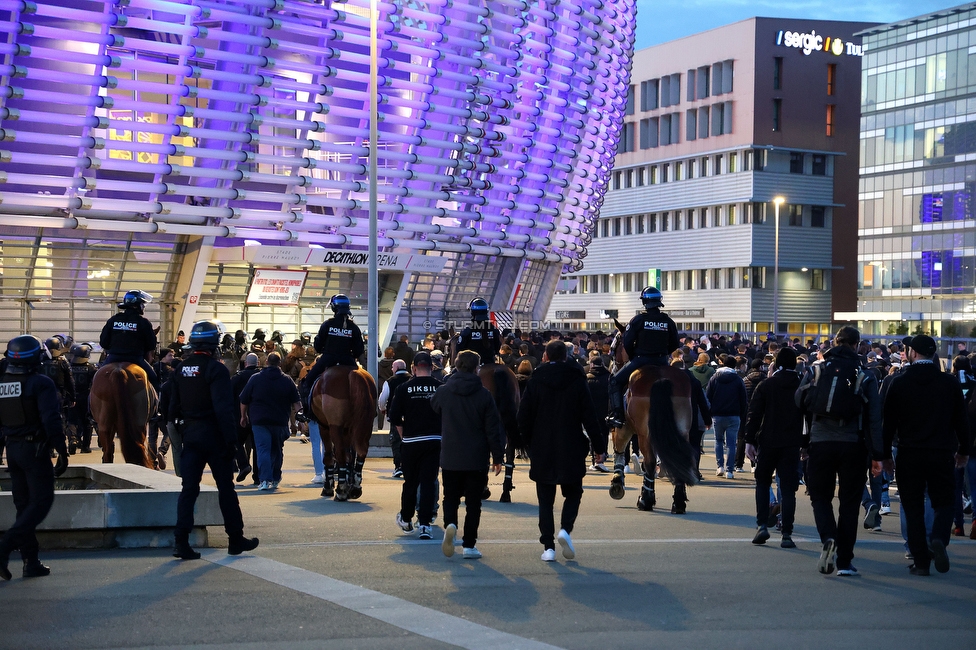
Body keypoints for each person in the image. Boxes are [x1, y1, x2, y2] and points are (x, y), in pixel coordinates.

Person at [795, 326, 883, 577]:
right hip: (853, 444)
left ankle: (827, 538)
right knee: (850, 502)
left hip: (820, 442)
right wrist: (877, 454)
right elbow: (874, 419)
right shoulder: (865, 375)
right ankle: (845, 561)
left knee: (820, 496)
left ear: (835, 342)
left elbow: (798, 400)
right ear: (857, 345)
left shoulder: (816, 369)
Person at [167, 320, 259, 560]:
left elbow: (172, 408)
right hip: (215, 436)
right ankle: (235, 539)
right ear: (214, 343)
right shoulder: (216, 369)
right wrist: (232, 444)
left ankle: (181, 542)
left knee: (188, 490)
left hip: (191, 436)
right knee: (226, 489)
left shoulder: (181, 369)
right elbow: (223, 409)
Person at [883, 335, 971, 575]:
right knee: (943, 501)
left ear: (912, 353)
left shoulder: (899, 382)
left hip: (909, 452)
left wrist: (884, 454)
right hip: (942, 451)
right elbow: (961, 421)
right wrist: (964, 449)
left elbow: (888, 422)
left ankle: (920, 561)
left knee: (912, 507)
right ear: (933, 354)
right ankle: (940, 539)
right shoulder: (949, 383)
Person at [518, 340, 604, 562]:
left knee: (545, 499)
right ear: (566, 356)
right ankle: (565, 529)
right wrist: (599, 447)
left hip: (542, 444)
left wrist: (526, 443)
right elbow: (589, 415)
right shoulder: (577, 378)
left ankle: (548, 547)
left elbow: (524, 415)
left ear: (545, 356)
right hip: (571, 443)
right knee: (573, 492)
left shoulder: (536, 379)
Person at [0, 335, 68, 581]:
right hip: (35, 450)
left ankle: (31, 561)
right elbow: (51, 420)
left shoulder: (3, 382)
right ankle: (4, 548)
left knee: (23, 506)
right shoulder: (41, 383)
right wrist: (62, 450)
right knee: (40, 503)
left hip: (13, 451)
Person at [430, 350, 504, 560]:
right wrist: (497, 457)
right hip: (476, 457)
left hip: (451, 454)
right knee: (474, 503)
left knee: (450, 497)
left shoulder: (444, 391)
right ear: (476, 368)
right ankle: (469, 545)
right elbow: (492, 428)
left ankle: (450, 524)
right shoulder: (484, 395)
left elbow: (434, 406)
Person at [744, 348, 804, 548]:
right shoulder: (801, 386)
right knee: (788, 489)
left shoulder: (766, 385)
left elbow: (754, 414)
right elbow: (809, 417)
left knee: (762, 482)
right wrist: (806, 443)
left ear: (775, 364)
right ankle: (786, 533)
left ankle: (762, 525)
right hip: (792, 443)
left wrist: (749, 440)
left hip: (768, 441)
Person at [388, 351, 442, 540]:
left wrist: (404, 436)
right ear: (431, 367)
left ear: (413, 368)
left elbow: (394, 416)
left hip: (411, 441)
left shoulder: (404, 388)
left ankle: (406, 518)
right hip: (434, 440)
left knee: (410, 482)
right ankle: (425, 524)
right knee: (428, 482)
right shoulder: (440, 387)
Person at [606, 287, 679, 427]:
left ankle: (617, 416)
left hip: (641, 360)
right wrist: (664, 353)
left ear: (644, 302)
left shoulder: (638, 320)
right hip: (662, 361)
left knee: (614, 381)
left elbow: (627, 342)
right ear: (659, 301)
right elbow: (675, 344)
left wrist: (634, 355)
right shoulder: (668, 321)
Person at [239, 352, 301, 491]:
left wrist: (243, 416)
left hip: (259, 421)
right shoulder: (287, 380)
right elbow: (296, 402)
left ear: (266, 362)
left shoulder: (255, 379)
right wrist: (300, 417)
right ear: (279, 363)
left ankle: (265, 480)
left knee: (263, 450)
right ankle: (275, 477)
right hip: (280, 421)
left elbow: (244, 400)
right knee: (277, 449)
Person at [302, 294, 365, 395]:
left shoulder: (327, 324)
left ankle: (305, 408)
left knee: (308, 381)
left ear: (333, 308)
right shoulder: (354, 327)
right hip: (347, 360)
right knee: (364, 381)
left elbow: (318, 346)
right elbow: (358, 350)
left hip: (328, 359)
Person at [99, 289, 159, 391]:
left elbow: (103, 342)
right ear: (138, 305)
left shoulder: (113, 320)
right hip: (135, 359)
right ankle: (157, 406)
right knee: (154, 380)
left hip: (113, 358)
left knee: (96, 379)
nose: (143, 307)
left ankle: (90, 406)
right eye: (143, 304)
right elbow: (151, 345)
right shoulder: (143, 322)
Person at [706, 355, 748, 479]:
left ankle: (720, 466)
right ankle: (730, 470)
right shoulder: (738, 379)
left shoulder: (714, 378)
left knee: (718, 440)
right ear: (734, 365)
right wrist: (741, 414)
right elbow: (743, 399)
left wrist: (710, 412)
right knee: (731, 444)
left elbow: (708, 397)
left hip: (717, 415)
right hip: (734, 415)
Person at [230, 353, 261, 484]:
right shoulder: (261, 377)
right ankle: (257, 476)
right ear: (258, 363)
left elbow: (229, 397)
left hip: (239, 416)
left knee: (236, 442)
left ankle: (243, 464)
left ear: (245, 363)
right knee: (257, 447)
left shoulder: (237, 378)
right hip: (257, 416)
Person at [379, 359, 410, 478]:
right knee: (408, 440)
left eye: (392, 367)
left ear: (396, 368)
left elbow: (383, 398)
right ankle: (408, 465)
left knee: (396, 441)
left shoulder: (390, 381)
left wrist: (382, 408)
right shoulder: (411, 379)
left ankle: (398, 466)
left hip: (395, 416)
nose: (392, 369)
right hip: (410, 416)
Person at [66, 343, 97, 455]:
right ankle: (85, 446)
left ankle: (73, 439)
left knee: (71, 421)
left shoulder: (69, 367)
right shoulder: (91, 368)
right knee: (87, 422)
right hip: (85, 398)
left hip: (71, 397)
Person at [585, 355, 611, 472]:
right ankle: (603, 455)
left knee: (592, 434)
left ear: (591, 365)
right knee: (604, 434)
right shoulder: (608, 377)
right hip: (605, 410)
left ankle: (594, 458)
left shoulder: (587, 378)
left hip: (591, 410)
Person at [456, 297, 501, 365]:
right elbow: (497, 348)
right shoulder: (494, 330)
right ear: (486, 311)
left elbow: (459, 350)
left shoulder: (467, 331)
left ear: (472, 312)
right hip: (490, 363)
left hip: (471, 366)